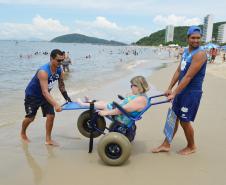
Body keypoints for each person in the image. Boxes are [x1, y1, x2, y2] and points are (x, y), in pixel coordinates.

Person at [152, 26, 207, 155]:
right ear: (187, 38)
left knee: (184, 121)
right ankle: (166, 144)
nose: (196, 40)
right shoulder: (186, 51)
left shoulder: (200, 54)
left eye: (198, 38)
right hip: (181, 90)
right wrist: (170, 88)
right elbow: (179, 71)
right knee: (173, 117)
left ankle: (192, 146)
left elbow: (188, 76)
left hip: (191, 93)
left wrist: (174, 93)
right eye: (193, 37)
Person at [20, 49, 72, 146]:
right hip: (33, 95)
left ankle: (48, 140)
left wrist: (66, 96)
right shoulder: (43, 71)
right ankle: (23, 133)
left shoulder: (59, 70)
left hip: (45, 95)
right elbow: (44, 91)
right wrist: (56, 104)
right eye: (58, 60)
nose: (61, 63)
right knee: (30, 118)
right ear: (51, 58)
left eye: (62, 60)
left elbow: (61, 85)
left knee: (51, 116)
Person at [77, 76, 149, 125]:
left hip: (121, 117)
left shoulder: (140, 100)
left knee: (103, 105)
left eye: (132, 86)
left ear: (138, 86)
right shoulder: (142, 96)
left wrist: (106, 113)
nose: (131, 87)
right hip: (123, 114)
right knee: (105, 102)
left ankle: (83, 104)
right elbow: (128, 107)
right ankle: (90, 101)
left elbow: (122, 110)